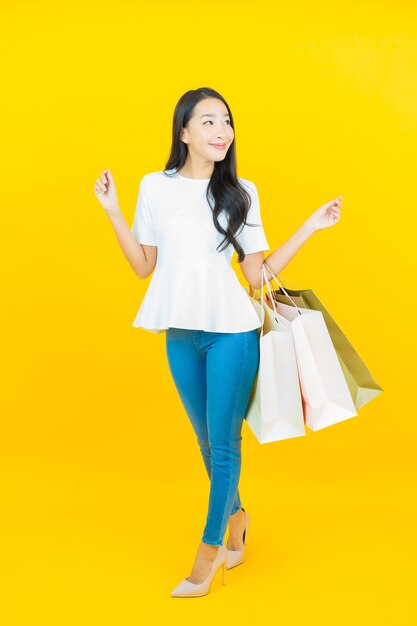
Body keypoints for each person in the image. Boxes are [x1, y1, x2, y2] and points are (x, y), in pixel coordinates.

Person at [93, 87, 342, 598]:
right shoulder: (154, 187)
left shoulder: (241, 191)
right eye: (208, 121)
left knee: (225, 446)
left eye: (226, 121)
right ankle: (239, 520)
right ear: (183, 132)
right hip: (181, 334)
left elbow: (257, 275)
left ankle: (208, 556)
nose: (221, 130)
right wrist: (113, 211)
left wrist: (309, 229)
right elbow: (144, 267)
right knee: (206, 442)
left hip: (232, 331)